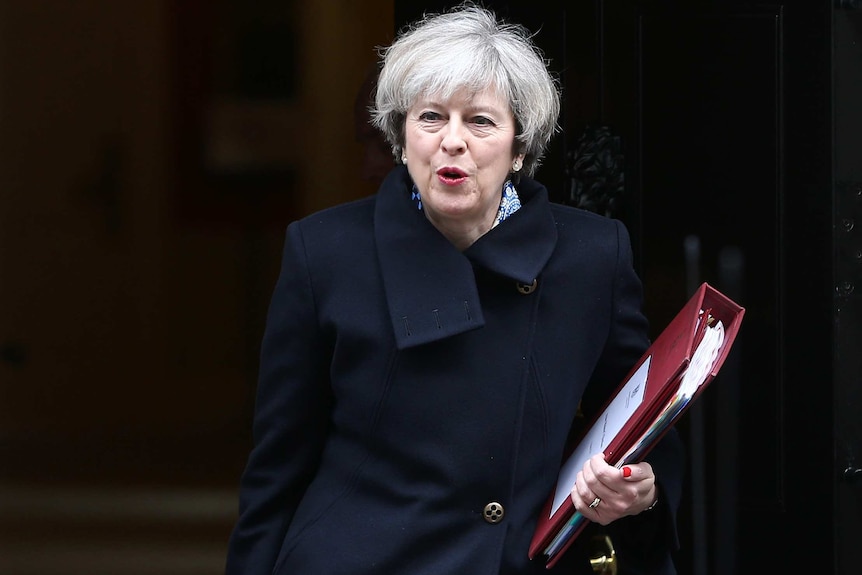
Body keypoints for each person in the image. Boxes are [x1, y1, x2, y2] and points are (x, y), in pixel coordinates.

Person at [224, 3, 684, 574]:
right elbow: (278, 469)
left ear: (520, 147)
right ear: (400, 136)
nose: (452, 141)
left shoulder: (593, 257)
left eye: (481, 122)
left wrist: (640, 489)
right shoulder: (324, 253)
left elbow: (639, 424)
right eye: (431, 117)